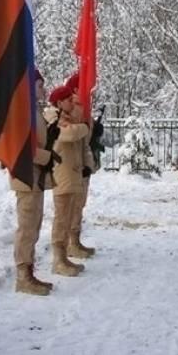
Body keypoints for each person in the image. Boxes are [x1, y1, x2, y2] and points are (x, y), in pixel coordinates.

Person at [9, 70, 56, 296]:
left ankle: (29, 272)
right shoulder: (21, 112)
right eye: (39, 85)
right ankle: (23, 276)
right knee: (27, 226)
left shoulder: (35, 110)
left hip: (35, 174)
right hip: (25, 175)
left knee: (34, 225)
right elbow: (20, 146)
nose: (43, 89)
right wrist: (46, 157)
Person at [45, 83, 91, 276]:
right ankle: (58, 259)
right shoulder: (53, 118)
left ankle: (64, 256)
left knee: (69, 214)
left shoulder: (67, 117)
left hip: (72, 173)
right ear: (59, 102)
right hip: (62, 175)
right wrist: (84, 126)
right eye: (69, 100)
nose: (73, 102)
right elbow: (70, 134)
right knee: (62, 218)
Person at [64, 72, 97, 260]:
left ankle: (75, 240)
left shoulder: (82, 108)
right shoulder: (75, 109)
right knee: (74, 204)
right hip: (75, 165)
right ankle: (70, 242)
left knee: (80, 203)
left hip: (83, 162)